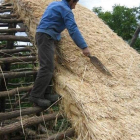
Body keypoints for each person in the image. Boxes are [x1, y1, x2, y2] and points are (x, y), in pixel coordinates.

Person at [29, 0, 91, 108]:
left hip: (45, 35)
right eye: (75, 4)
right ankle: (35, 95)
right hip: (46, 36)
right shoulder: (66, 10)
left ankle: (46, 93)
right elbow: (72, 29)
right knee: (46, 67)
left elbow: (51, 20)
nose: (75, 7)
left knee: (50, 66)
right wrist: (84, 47)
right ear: (71, 1)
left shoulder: (56, 4)